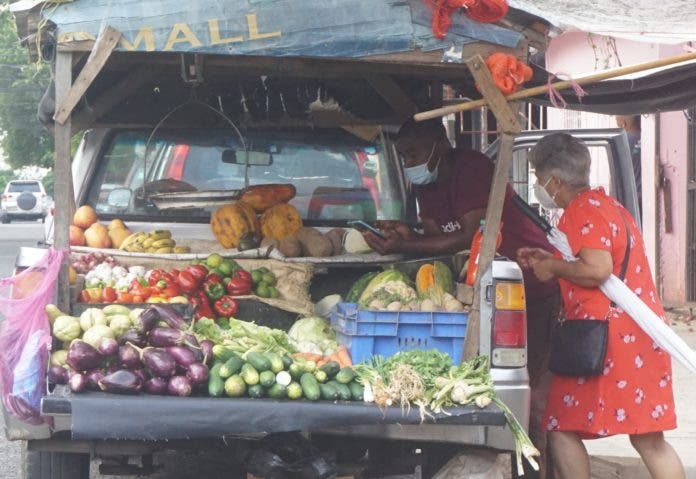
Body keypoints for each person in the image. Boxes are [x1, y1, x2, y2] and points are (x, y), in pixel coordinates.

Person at [363, 119, 560, 479]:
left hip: (528, 284)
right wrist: (411, 232)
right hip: (480, 289)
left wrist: (405, 245)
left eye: (415, 153)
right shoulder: (427, 183)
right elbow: (438, 233)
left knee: (530, 401)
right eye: (404, 156)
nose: (409, 163)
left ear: (441, 144)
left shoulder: (472, 168)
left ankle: (538, 471)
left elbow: (470, 237)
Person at [517, 132, 684, 479]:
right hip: (640, 335)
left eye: (537, 178)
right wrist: (552, 259)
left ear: (555, 181)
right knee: (650, 440)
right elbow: (595, 259)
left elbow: (597, 269)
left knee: (560, 425)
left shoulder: (580, 212)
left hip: (611, 340)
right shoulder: (607, 206)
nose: (537, 185)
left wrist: (552, 267)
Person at [615, 115, 642, 215]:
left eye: (616, 118)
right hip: (648, 197)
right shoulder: (648, 138)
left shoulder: (623, 142)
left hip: (631, 201)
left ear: (624, 121)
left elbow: (617, 176)